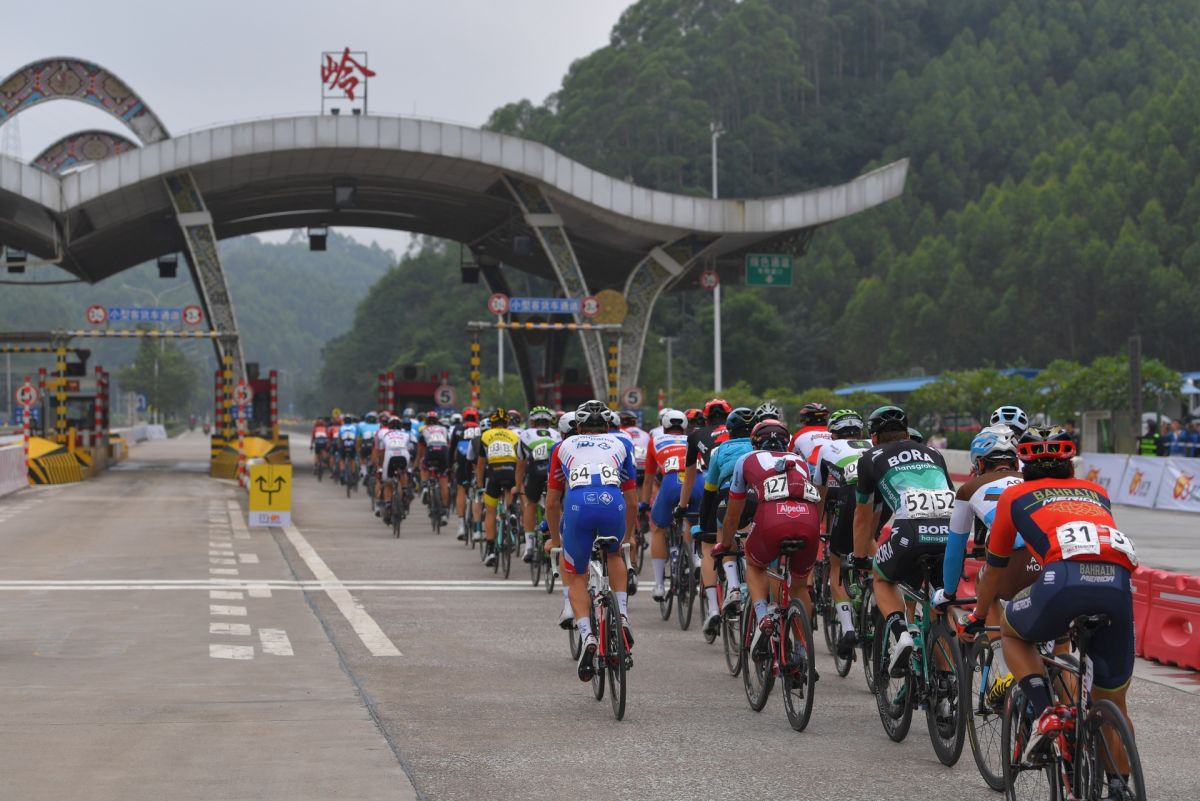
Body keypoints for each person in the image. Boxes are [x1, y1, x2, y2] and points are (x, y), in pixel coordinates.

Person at [959, 427, 1137, 770]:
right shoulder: (1097, 492)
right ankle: (1118, 785)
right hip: (1118, 586)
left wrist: (978, 615)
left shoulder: (1015, 495)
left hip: (1064, 580)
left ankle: (1046, 713)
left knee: (1012, 631)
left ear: (1023, 467)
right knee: (1113, 702)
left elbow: (994, 569)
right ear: (1071, 465)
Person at [849, 405, 954, 676]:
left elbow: (862, 517)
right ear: (907, 434)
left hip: (910, 530)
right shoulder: (934, 454)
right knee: (939, 601)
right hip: (950, 532)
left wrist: (859, 556)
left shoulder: (870, 457)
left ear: (873, 438)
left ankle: (902, 634)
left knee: (882, 578)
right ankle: (946, 680)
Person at [933, 425, 1028, 704]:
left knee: (986, 585)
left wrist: (949, 592)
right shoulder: (1032, 480)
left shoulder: (969, 488)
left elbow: (955, 550)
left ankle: (1006, 673)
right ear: (1014, 461)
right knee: (1058, 647)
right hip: (1051, 560)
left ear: (980, 464)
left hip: (1012, 564)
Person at [545, 400, 637, 681]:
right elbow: (632, 500)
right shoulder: (623, 443)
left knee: (575, 572)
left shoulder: (562, 447)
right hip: (613, 503)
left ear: (578, 426)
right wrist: (628, 536)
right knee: (615, 554)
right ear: (608, 426)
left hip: (578, 506)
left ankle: (587, 636)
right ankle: (622, 617)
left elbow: (552, 502)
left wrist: (554, 539)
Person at [715, 419, 822, 659]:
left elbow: (732, 515)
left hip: (772, 520)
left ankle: (763, 616)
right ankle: (802, 651)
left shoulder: (746, 459)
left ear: (755, 443)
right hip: (808, 521)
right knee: (799, 585)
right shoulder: (800, 461)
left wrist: (726, 543)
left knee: (755, 565)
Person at [810, 409, 873, 659]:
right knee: (871, 543)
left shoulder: (828, 448)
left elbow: (820, 493)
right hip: (879, 500)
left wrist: (815, 525)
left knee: (835, 563)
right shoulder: (872, 445)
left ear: (833, 433)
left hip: (849, 496)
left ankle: (847, 629)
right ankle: (876, 595)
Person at [697, 407, 756, 636]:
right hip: (756, 499)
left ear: (729, 431)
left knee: (724, 538)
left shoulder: (721, 450)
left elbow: (709, 491)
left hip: (727, 499)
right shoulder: (759, 448)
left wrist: (705, 524)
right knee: (752, 538)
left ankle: (733, 586)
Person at [642, 408, 697, 601]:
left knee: (658, 528)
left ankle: (658, 585)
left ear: (664, 428)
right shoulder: (693, 438)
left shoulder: (655, 440)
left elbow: (648, 479)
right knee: (693, 521)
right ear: (685, 428)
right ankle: (694, 560)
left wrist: (644, 504)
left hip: (671, 482)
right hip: (696, 482)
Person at [474, 408, 521, 567]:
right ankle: (512, 512)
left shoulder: (486, 435)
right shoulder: (513, 435)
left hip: (494, 471)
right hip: (511, 470)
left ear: (492, 423)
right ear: (506, 423)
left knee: (491, 511)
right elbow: (520, 459)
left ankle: (491, 551)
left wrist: (480, 485)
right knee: (508, 489)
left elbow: (481, 465)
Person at [515, 406, 560, 562]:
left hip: (535, 471)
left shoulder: (525, 434)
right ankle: (556, 540)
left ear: (533, 421)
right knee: (556, 504)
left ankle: (529, 545)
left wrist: (518, 486)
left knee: (530, 504)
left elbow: (521, 464)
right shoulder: (557, 434)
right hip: (552, 472)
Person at [450, 407, 481, 540]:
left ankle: (461, 526)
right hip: (477, 459)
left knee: (461, 489)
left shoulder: (458, 428)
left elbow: (451, 449)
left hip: (462, 459)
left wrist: (449, 467)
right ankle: (477, 529)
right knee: (478, 492)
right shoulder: (480, 428)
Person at [416, 411, 451, 526]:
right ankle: (444, 512)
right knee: (443, 480)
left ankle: (425, 487)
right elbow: (449, 445)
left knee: (424, 466)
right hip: (443, 451)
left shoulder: (424, 430)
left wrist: (419, 461)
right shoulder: (444, 429)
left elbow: (421, 450)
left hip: (431, 450)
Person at [377, 417, 413, 523]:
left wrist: (380, 465)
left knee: (387, 482)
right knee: (403, 472)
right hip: (403, 455)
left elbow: (381, 452)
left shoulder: (384, 434)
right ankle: (404, 491)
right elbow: (410, 449)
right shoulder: (406, 434)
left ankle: (388, 505)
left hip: (390, 456)